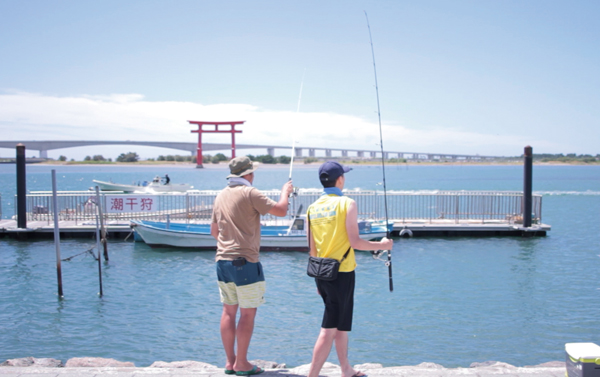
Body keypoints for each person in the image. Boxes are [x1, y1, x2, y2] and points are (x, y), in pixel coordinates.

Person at [306, 161, 393, 377]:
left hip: (323, 273)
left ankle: (346, 369)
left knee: (342, 324)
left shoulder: (312, 208)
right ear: (340, 180)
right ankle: (312, 375)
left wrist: (318, 280)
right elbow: (356, 243)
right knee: (329, 328)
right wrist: (382, 245)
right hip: (342, 273)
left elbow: (312, 249)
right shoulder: (347, 204)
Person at [210, 156, 294, 376]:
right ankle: (242, 364)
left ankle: (230, 362)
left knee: (228, 312)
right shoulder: (250, 192)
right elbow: (281, 210)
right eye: (252, 172)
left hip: (222, 262)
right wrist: (285, 192)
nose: (254, 175)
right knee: (247, 314)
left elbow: (214, 231)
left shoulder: (220, 196)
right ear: (247, 174)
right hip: (245, 263)